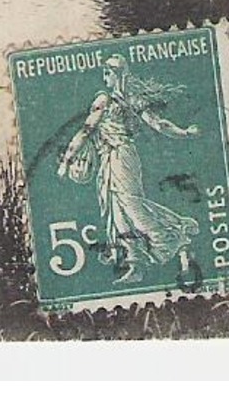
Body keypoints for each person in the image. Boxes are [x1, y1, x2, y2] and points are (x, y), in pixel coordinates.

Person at [57, 54, 201, 285]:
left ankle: (173, 236)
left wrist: (66, 161)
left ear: (116, 75)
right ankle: (136, 263)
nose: (105, 78)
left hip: (120, 157)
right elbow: (159, 124)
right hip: (112, 158)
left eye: (108, 73)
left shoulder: (106, 100)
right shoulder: (131, 100)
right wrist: (184, 133)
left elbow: (85, 130)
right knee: (119, 210)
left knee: (131, 206)